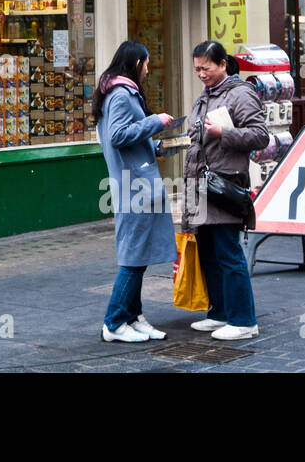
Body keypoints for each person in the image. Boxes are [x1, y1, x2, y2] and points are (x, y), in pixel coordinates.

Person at [182, 39, 268, 341]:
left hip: (224, 185)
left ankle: (244, 320)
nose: (201, 74)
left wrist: (223, 133)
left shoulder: (240, 94)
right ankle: (219, 312)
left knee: (229, 253)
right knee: (209, 253)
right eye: (197, 69)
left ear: (222, 65)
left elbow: (260, 136)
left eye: (206, 68)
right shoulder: (205, 96)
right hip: (202, 187)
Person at [93, 40, 176, 343]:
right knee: (133, 257)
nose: (148, 68)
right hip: (134, 187)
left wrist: (154, 146)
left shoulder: (120, 92)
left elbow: (127, 137)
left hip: (137, 183)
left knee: (139, 255)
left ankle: (133, 315)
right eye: (146, 62)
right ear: (135, 63)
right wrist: (155, 122)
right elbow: (117, 135)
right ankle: (114, 322)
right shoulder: (120, 94)